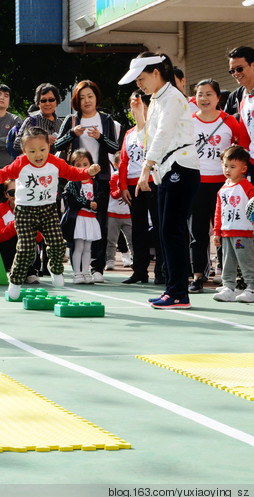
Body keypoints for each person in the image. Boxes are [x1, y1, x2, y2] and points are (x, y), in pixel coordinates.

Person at [119, 52, 200, 309]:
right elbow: (148, 137)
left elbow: (164, 135)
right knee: (167, 231)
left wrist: (145, 169)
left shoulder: (173, 97)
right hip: (166, 169)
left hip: (180, 167)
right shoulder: (156, 98)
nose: (139, 85)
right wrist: (140, 115)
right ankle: (173, 290)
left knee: (171, 230)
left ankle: (178, 293)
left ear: (156, 72)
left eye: (141, 78)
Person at [0, 127, 100, 300]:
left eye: (42, 150)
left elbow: (72, 173)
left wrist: (88, 172)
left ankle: (55, 268)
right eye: (32, 151)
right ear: (24, 151)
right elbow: (5, 172)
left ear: (49, 147)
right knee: (25, 249)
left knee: (58, 243)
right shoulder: (21, 163)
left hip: (48, 209)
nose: (38, 155)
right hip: (25, 211)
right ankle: (15, 281)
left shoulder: (55, 162)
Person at [55, 80, 120, 283]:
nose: (86, 101)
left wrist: (100, 137)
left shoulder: (106, 119)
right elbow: (57, 143)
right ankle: (78, 271)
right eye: (82, 97)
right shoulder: (73, 119)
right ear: (76, 100)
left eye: (90, 96)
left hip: (99, 178)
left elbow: (113, 146)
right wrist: (72, 134)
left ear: (96, 98)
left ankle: (97, 268)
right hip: (76, 178)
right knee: (77, 222)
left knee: (99, 222)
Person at [188, 79, 241, 293]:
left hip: (224, 185)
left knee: (225, 231)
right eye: (200, 94)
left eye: (209, 94)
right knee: (197, 232)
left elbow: (241, 148)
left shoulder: (230, 121)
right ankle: (198, 276)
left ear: (218, 97)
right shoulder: (189, 121)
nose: (204, 98)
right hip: (197, 183)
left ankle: (226, 276)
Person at [118, 91, 162, 284]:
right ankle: (140, 271)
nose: (135, 108)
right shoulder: (128, 133)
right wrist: (123, 186)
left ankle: (161, 271)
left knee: (160, 227)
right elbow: (123, 161)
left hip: (153, 182)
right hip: (133, 186)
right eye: (132, 105)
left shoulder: (155, 129)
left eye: (139, 104)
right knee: (138, 229)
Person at [212, 146, 254, 302]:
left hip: (243, 231)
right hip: (227, 232)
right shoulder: (222, 189)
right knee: (227, 262)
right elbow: (218, 213)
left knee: (246, 261)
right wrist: (217, 232)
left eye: (232, 166)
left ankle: (251, 287)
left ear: (243, 168)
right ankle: (229, 287)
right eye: (225, 165)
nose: (227, 169)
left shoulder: (247, 187)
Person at [61, 149, 103, 284]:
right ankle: (77, 274)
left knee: (87, 248)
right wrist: (88, 203)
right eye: (78, 165)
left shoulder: (94, 183)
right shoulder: (72, 183)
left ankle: (86, 272)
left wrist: (96, 203)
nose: (82, 168)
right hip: (78, 218)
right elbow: (71, 200)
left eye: (85, 164)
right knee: (78, 247)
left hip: (90, 219)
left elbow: (99, 197)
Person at [0, 179, 41, 282]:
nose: (16, 196)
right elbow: (0, 236)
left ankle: (30, 271)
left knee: (27, 238)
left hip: (28, 249)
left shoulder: (33, 207)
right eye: (12, 192)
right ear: (6, 195)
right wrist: (17, 222)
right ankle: (11, 269)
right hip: (7, 250)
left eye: (20, 191)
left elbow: (40, 237)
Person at [12, 83, 64, 155]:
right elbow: (17, 144)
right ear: (38, 103)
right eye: (43, 100)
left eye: (51, 100)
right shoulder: (31, 121)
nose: (47, 103)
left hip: (55, 165)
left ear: (56, 101)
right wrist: (43, 139)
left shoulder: (61, 124)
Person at [105, 164, 133, 271]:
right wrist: (122, 189)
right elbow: (113, 194)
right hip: (113, 213)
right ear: (116, 164)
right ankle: (110, 260)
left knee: (131, 240)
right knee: (111, 239)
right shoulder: (114, 176)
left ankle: (134, 259)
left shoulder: (130, 176)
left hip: (128, 214)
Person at [223, 46, 254, 120]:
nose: (236, 74)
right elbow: (226, 125)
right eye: (232, 71)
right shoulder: (234, 97)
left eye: (239, 69)